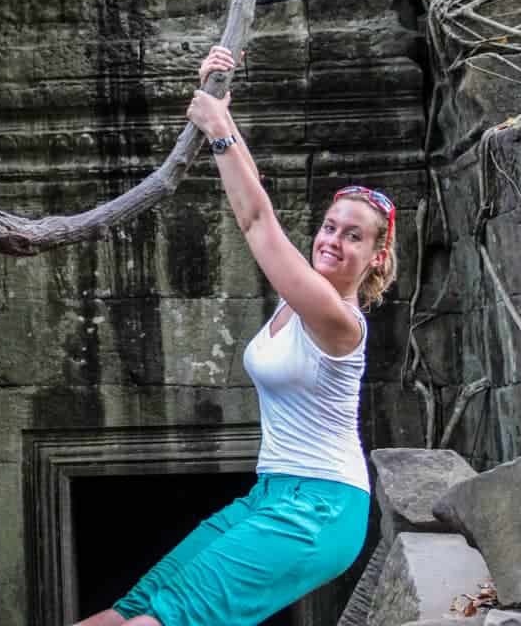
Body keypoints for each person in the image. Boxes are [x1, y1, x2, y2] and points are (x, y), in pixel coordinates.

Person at [75, 46, 398, 626]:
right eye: (329, 226)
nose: (332, 240)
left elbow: (256, 222)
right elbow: (258, 196)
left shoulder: (339, 320)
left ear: (376, 257)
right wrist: (218, 96)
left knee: (159, 623)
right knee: (127, 612)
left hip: (322, 508)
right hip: (270, 494)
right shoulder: (298, 291)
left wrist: (219, 125)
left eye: (353, 237)